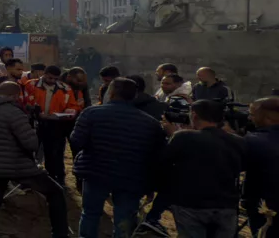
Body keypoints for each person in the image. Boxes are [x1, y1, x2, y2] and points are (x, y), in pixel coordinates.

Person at [71, 78, 167, 238]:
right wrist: (150, 185)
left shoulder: (91, 113)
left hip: (95, 172)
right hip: (131, 177)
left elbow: (76, 142)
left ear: (112, 93)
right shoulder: (150, 123)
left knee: (90, 213)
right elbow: (155, 156)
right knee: (124, 219)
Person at [0, 82, 70, 238]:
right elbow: (30, 143)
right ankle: (60, 233)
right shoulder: (13, 112)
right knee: (55, 193)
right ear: (15, 96)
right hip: (16, 165)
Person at [151, 99, 246, 238]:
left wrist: (172, 135)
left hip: (190, 204)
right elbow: (241, 167)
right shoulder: (238, 141)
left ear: (194, 115)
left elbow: (164, 163)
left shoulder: (183, 137)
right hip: (226, 205)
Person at [26, 65, 82, 186]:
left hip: (55, 125)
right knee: (31, 151)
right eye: (49, 78)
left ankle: (56, 179)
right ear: (44, 74)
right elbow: (24, 102)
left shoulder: (65, 89)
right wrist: (34, 112)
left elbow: (73, 106)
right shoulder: (31, 85)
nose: (52, 81)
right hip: (34, 123)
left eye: (54, 79)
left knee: (55, 154)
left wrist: (65, 114)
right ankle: (30, 178)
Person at [244, 97, 279, 238]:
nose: (249, 118)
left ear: (267, 118)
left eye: (252, 114)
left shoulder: (255, 140)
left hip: (266, 207)